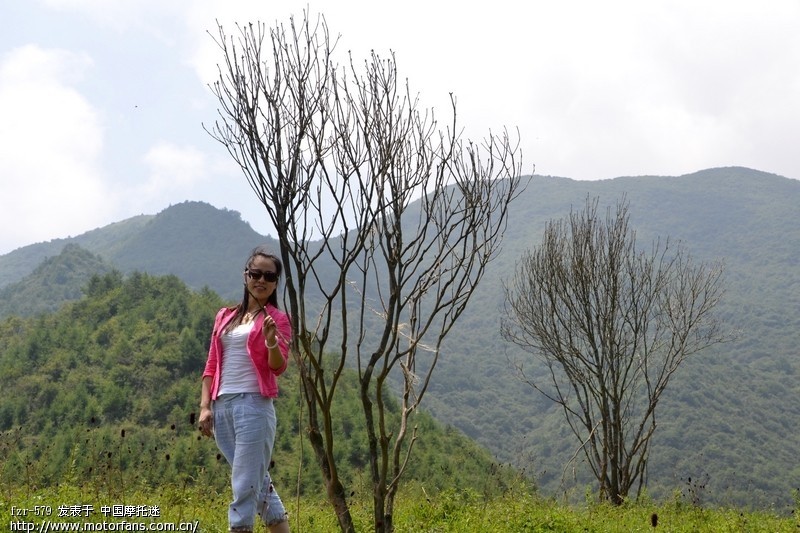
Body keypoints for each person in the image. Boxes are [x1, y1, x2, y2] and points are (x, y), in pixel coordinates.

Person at [198, 246, 292, 533]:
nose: (261, 280)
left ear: (276, 282)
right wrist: (205, 406)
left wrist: (272, 340)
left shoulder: (278, 320)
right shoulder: (225, 316)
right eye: (255, 274)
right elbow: (212, 363)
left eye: (269, 276)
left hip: (254, 407)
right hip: (222, 406)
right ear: (245, 276)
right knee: (257, 482)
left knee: (244, 483)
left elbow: (279, 367)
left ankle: (239, 527)